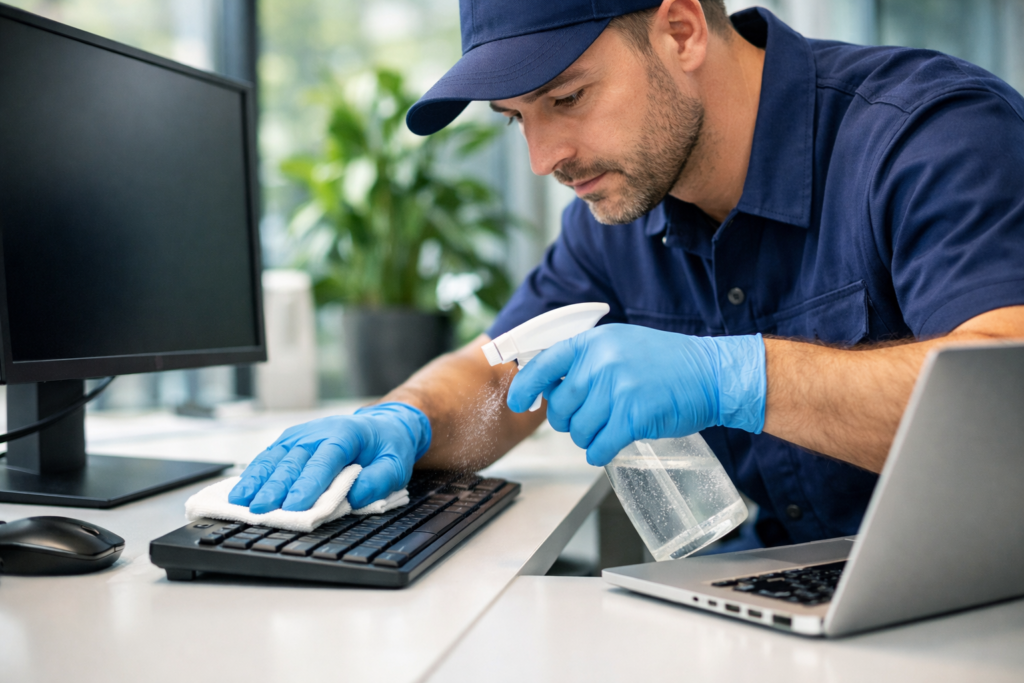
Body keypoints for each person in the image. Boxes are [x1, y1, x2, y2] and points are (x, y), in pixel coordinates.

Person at [229, 0, 1024, 547]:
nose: (544, 160)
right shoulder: (616, 221)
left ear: (680, 30)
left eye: (567, 98)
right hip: (785, 590)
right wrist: (399, 420)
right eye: (518, 122)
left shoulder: (928, 137)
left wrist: (738, 375)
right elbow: (495, 371)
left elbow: (1006, 399)